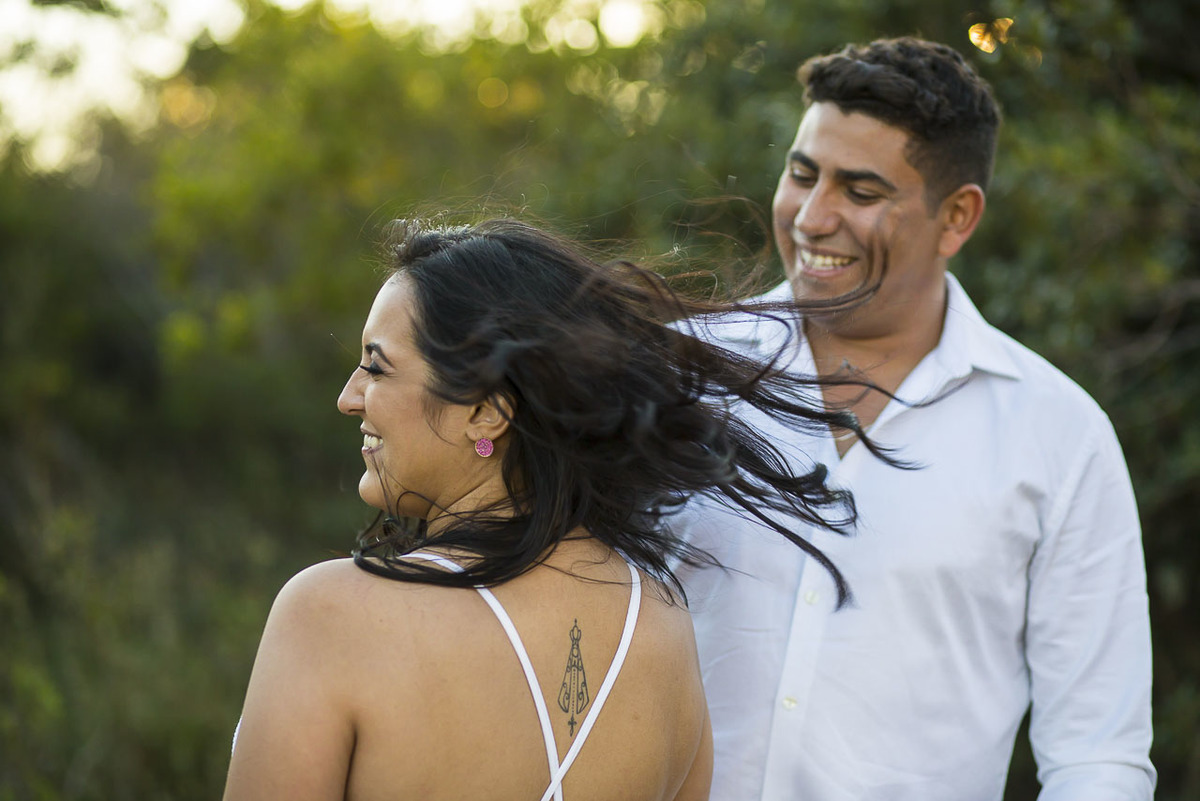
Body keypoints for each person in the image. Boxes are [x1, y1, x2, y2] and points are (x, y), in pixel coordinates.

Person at [222, 218, 868, 801]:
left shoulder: (332, 616)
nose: (349, 396)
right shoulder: (663, 627)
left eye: (377, 368)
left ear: (487, 410)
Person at [674, 37, 1155, 800]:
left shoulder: (1059, 435)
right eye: (802, 175)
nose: (813, 217)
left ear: (956, 217)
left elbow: (1097, 754)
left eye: (860, 192)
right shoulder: (680, 374)